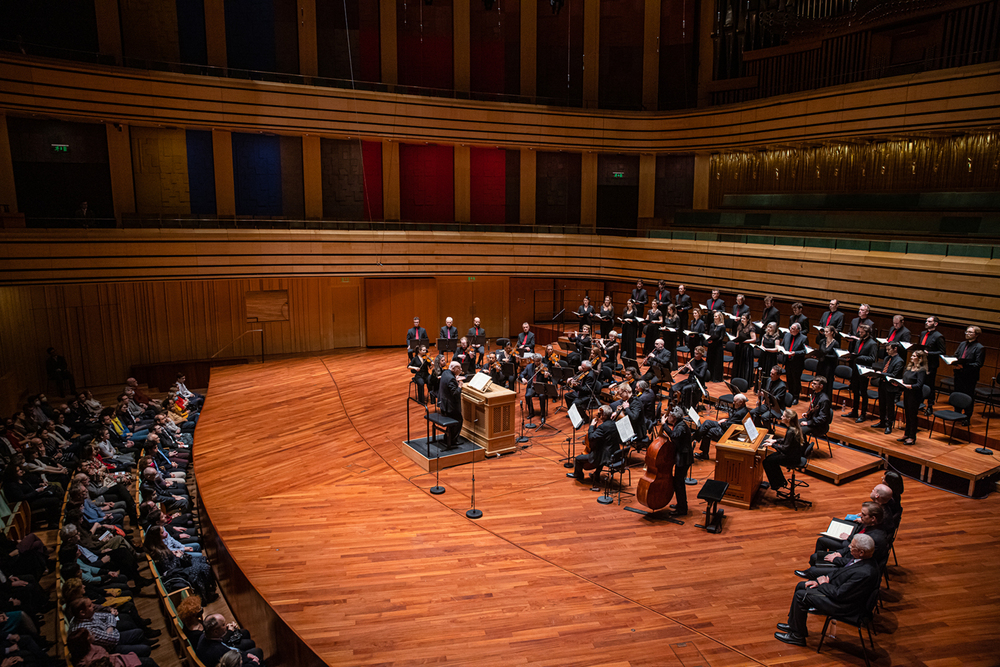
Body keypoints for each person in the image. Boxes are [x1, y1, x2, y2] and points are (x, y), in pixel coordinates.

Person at [773, 533, 880, 647]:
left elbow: (840, 594)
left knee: (801, 596)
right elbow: (841, 573)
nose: (849, 548)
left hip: (844, 606)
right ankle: (793, 624)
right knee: (801, 585)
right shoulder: (861, 561)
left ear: (861, 552)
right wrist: (822, 580)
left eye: (852, 547)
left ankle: (797, 636)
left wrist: (823, 584)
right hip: (837, 593)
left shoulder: (864, 573)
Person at [804, 502, 889, 573]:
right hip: (849, 554)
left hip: (850, 567)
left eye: (863, 514)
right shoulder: (869, 525)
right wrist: (840, 552)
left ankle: (814, 575)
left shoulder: (873, 539)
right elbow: (852, 546)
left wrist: (836, 559)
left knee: (814, 563)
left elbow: (858, 562)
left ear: (873, 518)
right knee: (819, 546)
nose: (859, 515)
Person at [68, 597, 156, 657]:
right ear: (82, 612)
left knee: (138, 632)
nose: (94, 606)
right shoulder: (86, 630)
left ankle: (144, 642)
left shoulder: (86, 615)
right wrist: (110, 627)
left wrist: (110, 627)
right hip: (111, 648)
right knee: (145, 649)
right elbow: (113, 639)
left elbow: (108, 615)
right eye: (90, 606)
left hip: (112, 635)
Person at [567, 405, 619, 488]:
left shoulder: (602, 427)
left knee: (578, 459)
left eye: (599, 414)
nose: (598, 416)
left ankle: (578, 475)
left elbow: (591, 437)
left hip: (604, 456)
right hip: (615, 453)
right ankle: (597, 474)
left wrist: (591, 426)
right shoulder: (615, 423)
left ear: (603, 415)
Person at [196, 613, 266, 666]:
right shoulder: (219, 652)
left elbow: (220, 642)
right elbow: (237, 661)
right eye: (223, 625)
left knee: (246, 634)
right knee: (258, 651)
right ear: (216, 632)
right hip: (233, 659)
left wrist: (229, 632)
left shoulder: (204, 635)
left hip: (230, 652)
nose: (226, 625)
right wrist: (253, 661)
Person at [693, 394, 748, 460]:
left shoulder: (740, 413)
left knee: (709, 431)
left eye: (735, 401)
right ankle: (697, 438)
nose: (733, 403)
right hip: (728, 426)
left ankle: (696, 438)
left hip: (729, 432)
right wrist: (726, 420)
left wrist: (722, 423)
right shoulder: (744, 409)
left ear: (741, 402)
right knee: (707, 423)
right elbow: (733, 421)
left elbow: (728, 426)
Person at [662, 407, 693, 516]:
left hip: (684, 459)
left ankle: (682, 509)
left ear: (674, 417)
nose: (667, 417)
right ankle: (680, 504)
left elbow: (674, 435)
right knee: (678, 482)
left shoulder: (681, 427)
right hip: (682, 456)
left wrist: (664, 425)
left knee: (679, 483)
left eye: (669, 415)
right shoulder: (680, 424)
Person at [761, 408, 803, 491]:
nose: (781, 417)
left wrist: (773, 445)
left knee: (767, 461)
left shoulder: (791, 431)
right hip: (794, 454)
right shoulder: (793, 428)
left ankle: (777, 484)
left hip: (791, 458)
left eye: (783, 416)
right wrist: (775, 440)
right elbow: (786, 440)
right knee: (770, 459)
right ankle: (780, 482)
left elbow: (785, 449)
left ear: (788, 419)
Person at [912, 316, 946, 415]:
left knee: (929, 385)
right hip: (920, 363)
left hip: (930, 364)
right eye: (926, 321)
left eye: (929, 321)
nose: (927, 323)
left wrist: (929, 353)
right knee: (920, 383)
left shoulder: (939, 336)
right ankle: (920, 403)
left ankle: (930, 406)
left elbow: (942, 352)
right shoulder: (923, 333)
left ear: (935, 324)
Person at [844, 324, 878, 423]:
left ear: (867, 333)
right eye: (859, 332)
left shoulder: (872, 344)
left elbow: (872, 358)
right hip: (855, 369)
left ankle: (863, 414)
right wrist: (851, 356)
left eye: (862, 332)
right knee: (855, 390)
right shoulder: (858, 341)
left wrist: (859, 356)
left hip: (864, 371)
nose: (860, 334)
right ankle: (854, 411)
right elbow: (855, 353)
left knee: (863, 392)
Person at [870, 343, 906, 435]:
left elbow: (894, 375)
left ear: (895, 349)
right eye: (886, 349)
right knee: (881, 404)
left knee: (890, 406)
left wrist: (881, 374)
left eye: (889, 349)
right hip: (883, 384)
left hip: (891, 386)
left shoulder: (899, 361)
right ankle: (882, 421)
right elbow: (884, 370)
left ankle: (889, 425)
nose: (887, 351)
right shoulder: (887, 358)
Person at [952, 325, 985, 422]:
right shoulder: (962, 344)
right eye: (967, 332)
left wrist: (964, 366)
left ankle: (967, 416)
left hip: (969, 377)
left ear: (977, 335)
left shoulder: (980, 348)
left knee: (968, 396)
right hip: (958, 374)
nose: (967, 334)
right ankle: (957, 413)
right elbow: (956, 355)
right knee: (957, 394)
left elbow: (978, 364)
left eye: (970, 332)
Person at [898, 350, 928, 445]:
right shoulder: (909, 367)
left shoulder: (921, 370)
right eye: (912, 355)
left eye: (914, 356)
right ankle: (906, 434)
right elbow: (905, 378)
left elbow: (919, 385)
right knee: (907, 414)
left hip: (915, 395)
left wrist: (907, 386)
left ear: (920, 359)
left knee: (912, 416)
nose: (911, 357)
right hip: (907, 393)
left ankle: (912, 437)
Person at [438, 361, 464, 450]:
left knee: (456, 421)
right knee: (459, 420)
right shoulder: (451, 379)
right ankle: (452, 440)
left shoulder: (445, 373)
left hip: (443, 404)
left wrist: (455, 379)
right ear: (453, 369)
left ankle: (447, 437)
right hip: (450, 407)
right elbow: (455, 394)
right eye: (459, 368)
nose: (461, 370)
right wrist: (459, 386)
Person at [780, 322, 807, 403]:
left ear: (798, 330)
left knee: (796, 380)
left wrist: (795, 353)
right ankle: (790, 395)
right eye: (790, 328)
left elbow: (805, 351)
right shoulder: (787, 335)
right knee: (789, 379)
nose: (790, 330)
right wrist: (781, 350)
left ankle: (796, 397)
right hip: (788, 361)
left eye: (793, 329)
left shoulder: (804, 338)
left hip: (797, 363)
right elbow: (783, 345)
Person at [520, 354, 552, 423]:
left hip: (541, 387)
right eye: (537, 361)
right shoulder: (529, 367)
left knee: (542, 396)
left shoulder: (544, 366)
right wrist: (523, 378)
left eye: (539, 361)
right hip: (532, 386)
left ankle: (543, 415)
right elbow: (522, 374)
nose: (538, 363)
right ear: (534, 360)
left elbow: (550, 378)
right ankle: (531, 412)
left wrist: (547, 377)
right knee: (527, 396)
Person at [731, 313, 757, 384]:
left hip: (746, 349)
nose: (742, 320)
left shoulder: (751, 327)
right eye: (741, 318)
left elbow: (754, 339)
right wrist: (736, 340)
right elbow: (737, 336)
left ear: (748, 319)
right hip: (739, 348)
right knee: (738, 364)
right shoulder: (739, 326)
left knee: (744, 366)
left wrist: (744, 341)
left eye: (744, 318)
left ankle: (744, 382)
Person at [813, 325, 840, 391]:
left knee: (826, 384)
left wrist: (825, 355)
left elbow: (835, 357)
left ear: (832, 332)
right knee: (818, 382)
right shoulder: (822, 341)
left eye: (827, 332)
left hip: (829, 366)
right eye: (824, 331)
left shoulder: (835, 343)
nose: (825, 333)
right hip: (821, 364)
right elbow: (820, 351)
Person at [756, 322, 781, 389]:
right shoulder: (764, 335)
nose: (769, 329)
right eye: (768, 327)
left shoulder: (776, 337)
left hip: (771, 358)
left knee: (768, 372)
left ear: (774, 329)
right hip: (763, 356)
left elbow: (777, 349)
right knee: (761, 372)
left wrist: (767, 349)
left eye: (771, 327)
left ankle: (766, 388)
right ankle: (759, 388)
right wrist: (761, 347)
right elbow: (762, 344)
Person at [706, 311, 727, 383]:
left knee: (717, 361)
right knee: (710, 360)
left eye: (716, 316)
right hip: (711, 346)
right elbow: (710, 334)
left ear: (720, 317)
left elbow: (721, 337)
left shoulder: (722, 326)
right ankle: (709, 376)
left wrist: (713, 341)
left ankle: (716, 377)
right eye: (714, 316)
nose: (714, 317)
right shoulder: (712, 325)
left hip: (718, 346)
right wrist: (709, 339)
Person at [619, 300, 639, 365]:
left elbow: (636, 320)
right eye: (627, 303)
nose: (628, 305)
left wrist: (630, 320)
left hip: (631, 328)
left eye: (630, 303)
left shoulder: (635, 311)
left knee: (630, 341)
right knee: (625, 341)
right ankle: (624, 355)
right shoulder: (625, 310)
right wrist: (623, 321)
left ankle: (631, 356)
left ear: (632, 304)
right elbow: (623, 317)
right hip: (625, 328)